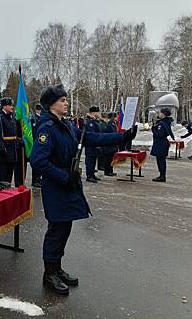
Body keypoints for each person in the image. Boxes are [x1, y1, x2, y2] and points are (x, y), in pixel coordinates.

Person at [30, 85, 136, 295]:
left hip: (68, 185)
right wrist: (63, 176)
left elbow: (91, 138)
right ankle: (49, 273)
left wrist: (122, 137)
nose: (66, 103)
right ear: (51, 105)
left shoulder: (66, 125)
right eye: (62, 100)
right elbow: (38, 161)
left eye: (66, 99)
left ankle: (57, 267)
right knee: (56, 230)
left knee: (65, 228)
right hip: (57, 186)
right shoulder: (47, 128)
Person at [0, 97, 24, 187]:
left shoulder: (13, 117)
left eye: (12, 105)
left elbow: (14, 134)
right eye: (10, 105)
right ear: (4, 106)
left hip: (13, 150)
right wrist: (1, 148)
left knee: (10, 175)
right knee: (4, 177)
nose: (12, 107)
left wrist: (19, 140)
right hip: (5, 151)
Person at [151, 108, 175, 182]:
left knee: (161, 160)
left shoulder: (162, 124)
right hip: (162, 143)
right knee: (161, 160)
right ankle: (162, 175)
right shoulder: (165, 122)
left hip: (161, 143)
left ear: (163, 114)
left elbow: (159, 134)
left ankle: (162, 176)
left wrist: (153, 129)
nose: (159, 114)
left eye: (161, 113)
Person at [84, 106, 102, 183]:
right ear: (93, 113)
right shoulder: (90, 122)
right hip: (91, 145)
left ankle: (92, 174)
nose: (99, 113)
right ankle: (89, 175)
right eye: (97, 112)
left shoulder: (95, 121)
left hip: (96, 144)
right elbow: (91, 134)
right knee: (90, 160)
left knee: (94, 160)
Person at [30, 103, 43, 187]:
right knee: (36, 161)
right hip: (35, 142)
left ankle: (38, 178)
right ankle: (35, 180)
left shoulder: (40, 118)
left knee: (40, 161)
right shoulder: (33, 119)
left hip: (39, 142)